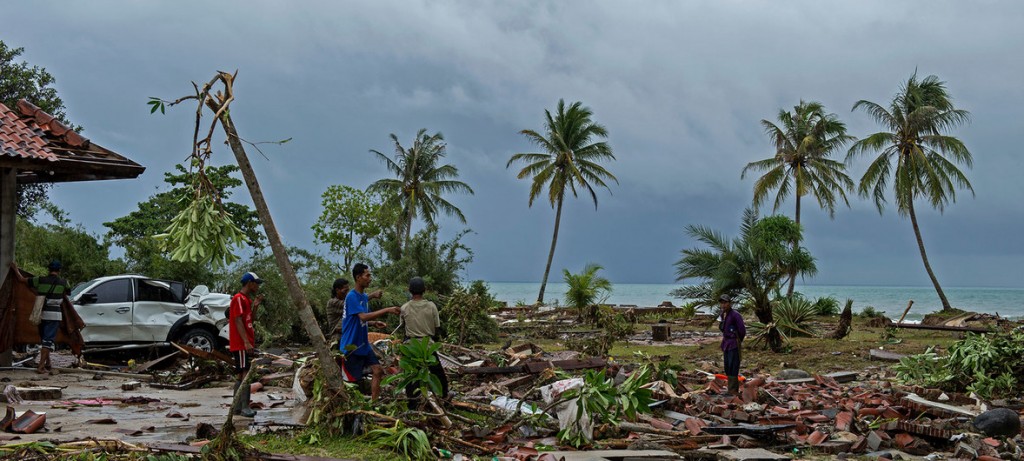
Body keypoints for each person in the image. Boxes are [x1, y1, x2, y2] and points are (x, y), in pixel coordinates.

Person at [340, 263, 399, 402]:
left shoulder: (363, 297)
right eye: (367, 275)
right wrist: (387, 310)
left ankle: (373, 403)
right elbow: (363, 317)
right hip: (351, 346)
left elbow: (362, 316)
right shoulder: (351, 297)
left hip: (363, 345)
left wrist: (373, 323)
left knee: (378, 370)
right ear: (358, 277)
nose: (370, 278)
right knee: (353, 383)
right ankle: (352, 408)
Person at [9, 260, 69, 374]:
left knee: (44, 339)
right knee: (48, 341)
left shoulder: (40, 280)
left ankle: (48, 363)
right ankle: (41, 367)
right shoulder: (64, 282)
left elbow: (21, 280)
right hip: (55, 315)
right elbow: (68, 293)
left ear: (49, 269)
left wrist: (15, 269)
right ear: (59, 270)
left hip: (40, 314)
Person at [399, 276, 449, 407]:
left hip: (411, 345)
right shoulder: (431, 306)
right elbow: (436, 328)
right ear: (424, 290)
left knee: (411, 376)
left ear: (410, 291)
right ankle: (444, 397)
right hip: (428, 345)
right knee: (438, 374)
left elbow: (403, 327)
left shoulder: (404, 308)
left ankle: (412, 404)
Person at [229, 271, 265, 418]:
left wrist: (255, 305)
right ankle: (244, 407)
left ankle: (237, 406)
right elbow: (238, 320)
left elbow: (251, 319)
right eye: (256, 283)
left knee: (241, 374)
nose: (258, 286)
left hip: (245, 342)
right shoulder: (238, 299)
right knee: (245, 375)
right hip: (241, 343)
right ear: (250, 283)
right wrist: (245, 341)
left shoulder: (246, 300)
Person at [718, 294, 746, 395]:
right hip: (726, 343)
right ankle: (730, 389)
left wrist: (737, 340)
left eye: (725, 303)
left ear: (729, 303)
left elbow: (742, 330)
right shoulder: (723, 314)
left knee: (734, 366)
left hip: (733, 343)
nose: (723, 305)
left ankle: (733, 391)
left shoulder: (735, 315)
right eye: (722, 303)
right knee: (727, 366)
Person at [325, 278, 350, 342]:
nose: (347, 293)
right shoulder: (333, 302)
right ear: (337, 290)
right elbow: (352, 304)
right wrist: (371, 296)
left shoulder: (344, 301)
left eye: (348, 291)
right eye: (345, 291)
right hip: (337, 337)